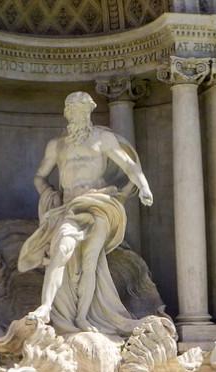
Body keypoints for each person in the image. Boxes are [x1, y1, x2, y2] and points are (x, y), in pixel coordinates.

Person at [16, 91, 154, 335]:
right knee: (60, 251)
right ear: (67, 114)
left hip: (98, 203)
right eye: (73, 110)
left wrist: (143, 187)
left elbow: (129, 165)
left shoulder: (103, 139)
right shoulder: (57, 145)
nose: (77, 114)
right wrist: (49, 194)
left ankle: (82, 317)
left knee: (91, 262)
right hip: (69, 206)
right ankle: (46, 308)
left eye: (82, 110)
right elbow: (40, 176)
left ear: (89, 112)